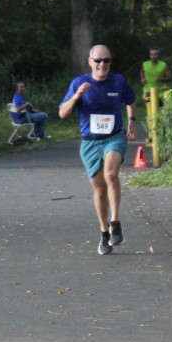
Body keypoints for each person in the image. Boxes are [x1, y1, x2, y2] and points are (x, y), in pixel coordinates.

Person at [59, 45, 137, 255]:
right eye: (98, 60)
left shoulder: (118, 81)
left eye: (107, 60)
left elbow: (131, 100)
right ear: (90, 62)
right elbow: (62, 113)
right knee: (100, 190)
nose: (103, 64)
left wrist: (131, 121)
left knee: (111, 174)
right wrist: (76, 96)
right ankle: (104, 232)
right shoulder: (79, 83)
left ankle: (115, 223)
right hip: (90, 142)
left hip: (114, 137)